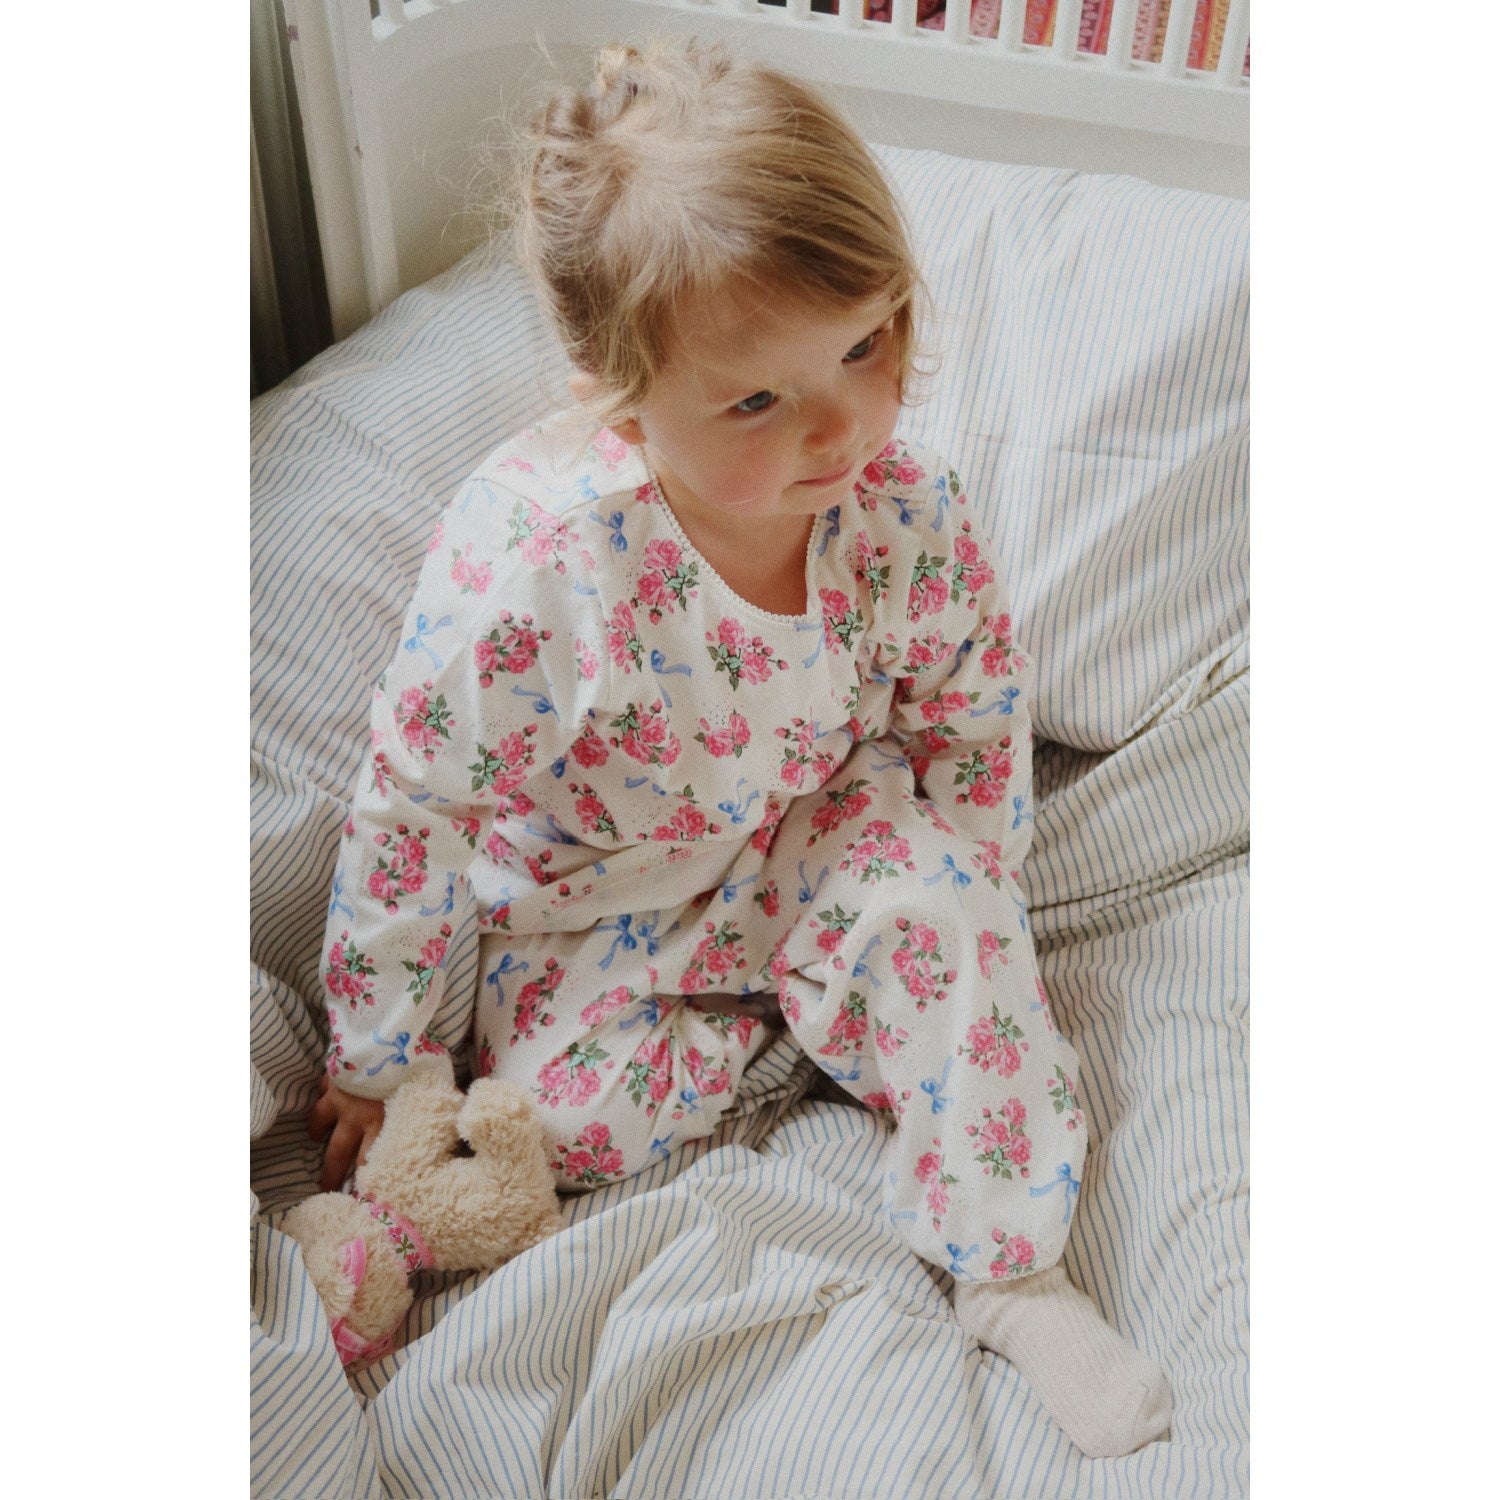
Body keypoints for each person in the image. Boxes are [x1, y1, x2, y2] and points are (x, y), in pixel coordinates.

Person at [309, 38, 1171, 1457]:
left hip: (812, 827)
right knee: (551, 1129)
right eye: (757, 400)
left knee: (951, 929)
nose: (843, 423)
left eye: (867, 345)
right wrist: (380, 1054)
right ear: (617, 389)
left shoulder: (902, 507)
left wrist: (969, 899)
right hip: (599, 899)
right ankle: (779, 1040)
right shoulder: (541, 568)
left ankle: (1009, 1273)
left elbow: (968, 705)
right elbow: (415, 808)